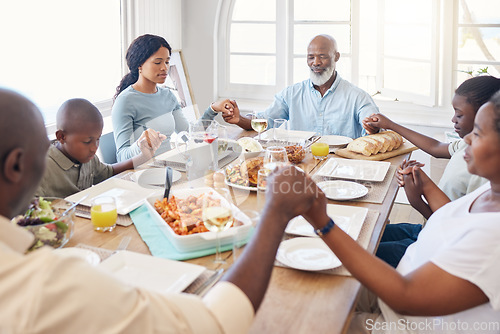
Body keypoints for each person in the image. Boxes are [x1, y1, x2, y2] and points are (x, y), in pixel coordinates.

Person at [0, 87, 319, 333]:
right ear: (15, 165)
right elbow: (215, 323)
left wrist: (141, 156)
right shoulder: (42, 284)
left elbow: (105, 172)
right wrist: (275, 214)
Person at [303, 92, 500, 333]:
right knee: (315, 279)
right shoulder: (491, 192)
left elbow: (405, 297)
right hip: (396, 296)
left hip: (400, 323)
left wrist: (320, 220)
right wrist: (425, 185)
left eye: (478, 133)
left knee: (306, 312)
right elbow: (454, 217)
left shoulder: (494, 239)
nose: (467, 139)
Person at [363, 75, 500, 268]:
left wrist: (417, 198)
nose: (453, 119)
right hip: (428, 230)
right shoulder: (466, 145)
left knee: (364, 249)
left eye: (459, 114)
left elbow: (452, 228)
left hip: (438, 244)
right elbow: (436, 147)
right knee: (366, 232)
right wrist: (391, 125)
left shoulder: (484, 176)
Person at [215, 34, 379, 138]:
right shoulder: (291, 94)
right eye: (311, 57)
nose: (316, 63)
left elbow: (374, 130)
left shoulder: (358, 97)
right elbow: (265, 122)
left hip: (341, 169)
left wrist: (373, 128)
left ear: (336, 57)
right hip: (299, 168)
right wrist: (239, 119)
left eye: (322, 56)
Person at [112, 34, 234, 162]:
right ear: (139, 65)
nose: (165, 68)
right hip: (143, 172)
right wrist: (140, 145)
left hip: (169, 168)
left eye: (167, 62)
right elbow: (121, 157)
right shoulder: (125, 101)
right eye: (158, 62)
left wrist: (212, 109)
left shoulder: (167, 95)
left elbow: (190, 134)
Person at [35, 98, 164, 198]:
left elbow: (109, 172)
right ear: (62, 137)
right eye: (87, 141)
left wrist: (144, 156)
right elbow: (27, 213)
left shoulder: (87, 157)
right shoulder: (41, 169)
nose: (94, 148)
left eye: (98, 139)